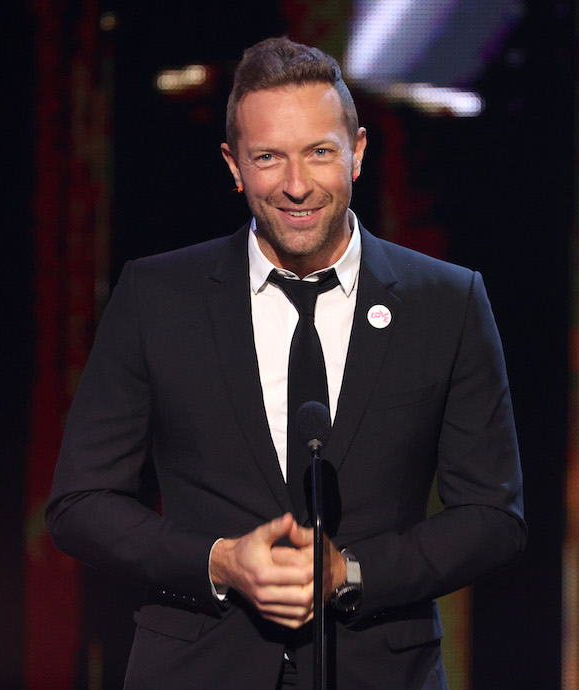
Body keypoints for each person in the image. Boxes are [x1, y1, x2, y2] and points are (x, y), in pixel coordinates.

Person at [46, 36, 525, 689]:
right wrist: (218, 561)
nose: (296, 186)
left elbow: (494, 518)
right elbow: (80, 504)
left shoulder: (446, 301)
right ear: (234, 165)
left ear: (357, 153)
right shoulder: (156, 298)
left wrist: (352, 573)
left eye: (319, 152)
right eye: (268, 157)